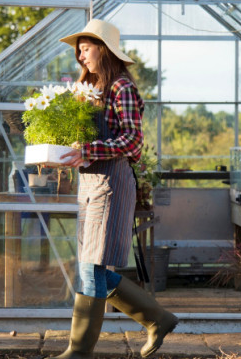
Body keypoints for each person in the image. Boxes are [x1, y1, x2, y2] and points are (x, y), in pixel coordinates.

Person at [51, 19, 178, 359]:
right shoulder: (89, 91)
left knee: (91, 268)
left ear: (103, 50)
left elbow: (134, 143)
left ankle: (78, 352)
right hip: (90, 183)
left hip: (110, 183)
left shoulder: (122, 88)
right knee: (90, 267)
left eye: (86, 48)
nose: (80, 55)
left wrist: (88, 151)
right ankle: (157, 319)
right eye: (79, 49)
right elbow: (88, 142)